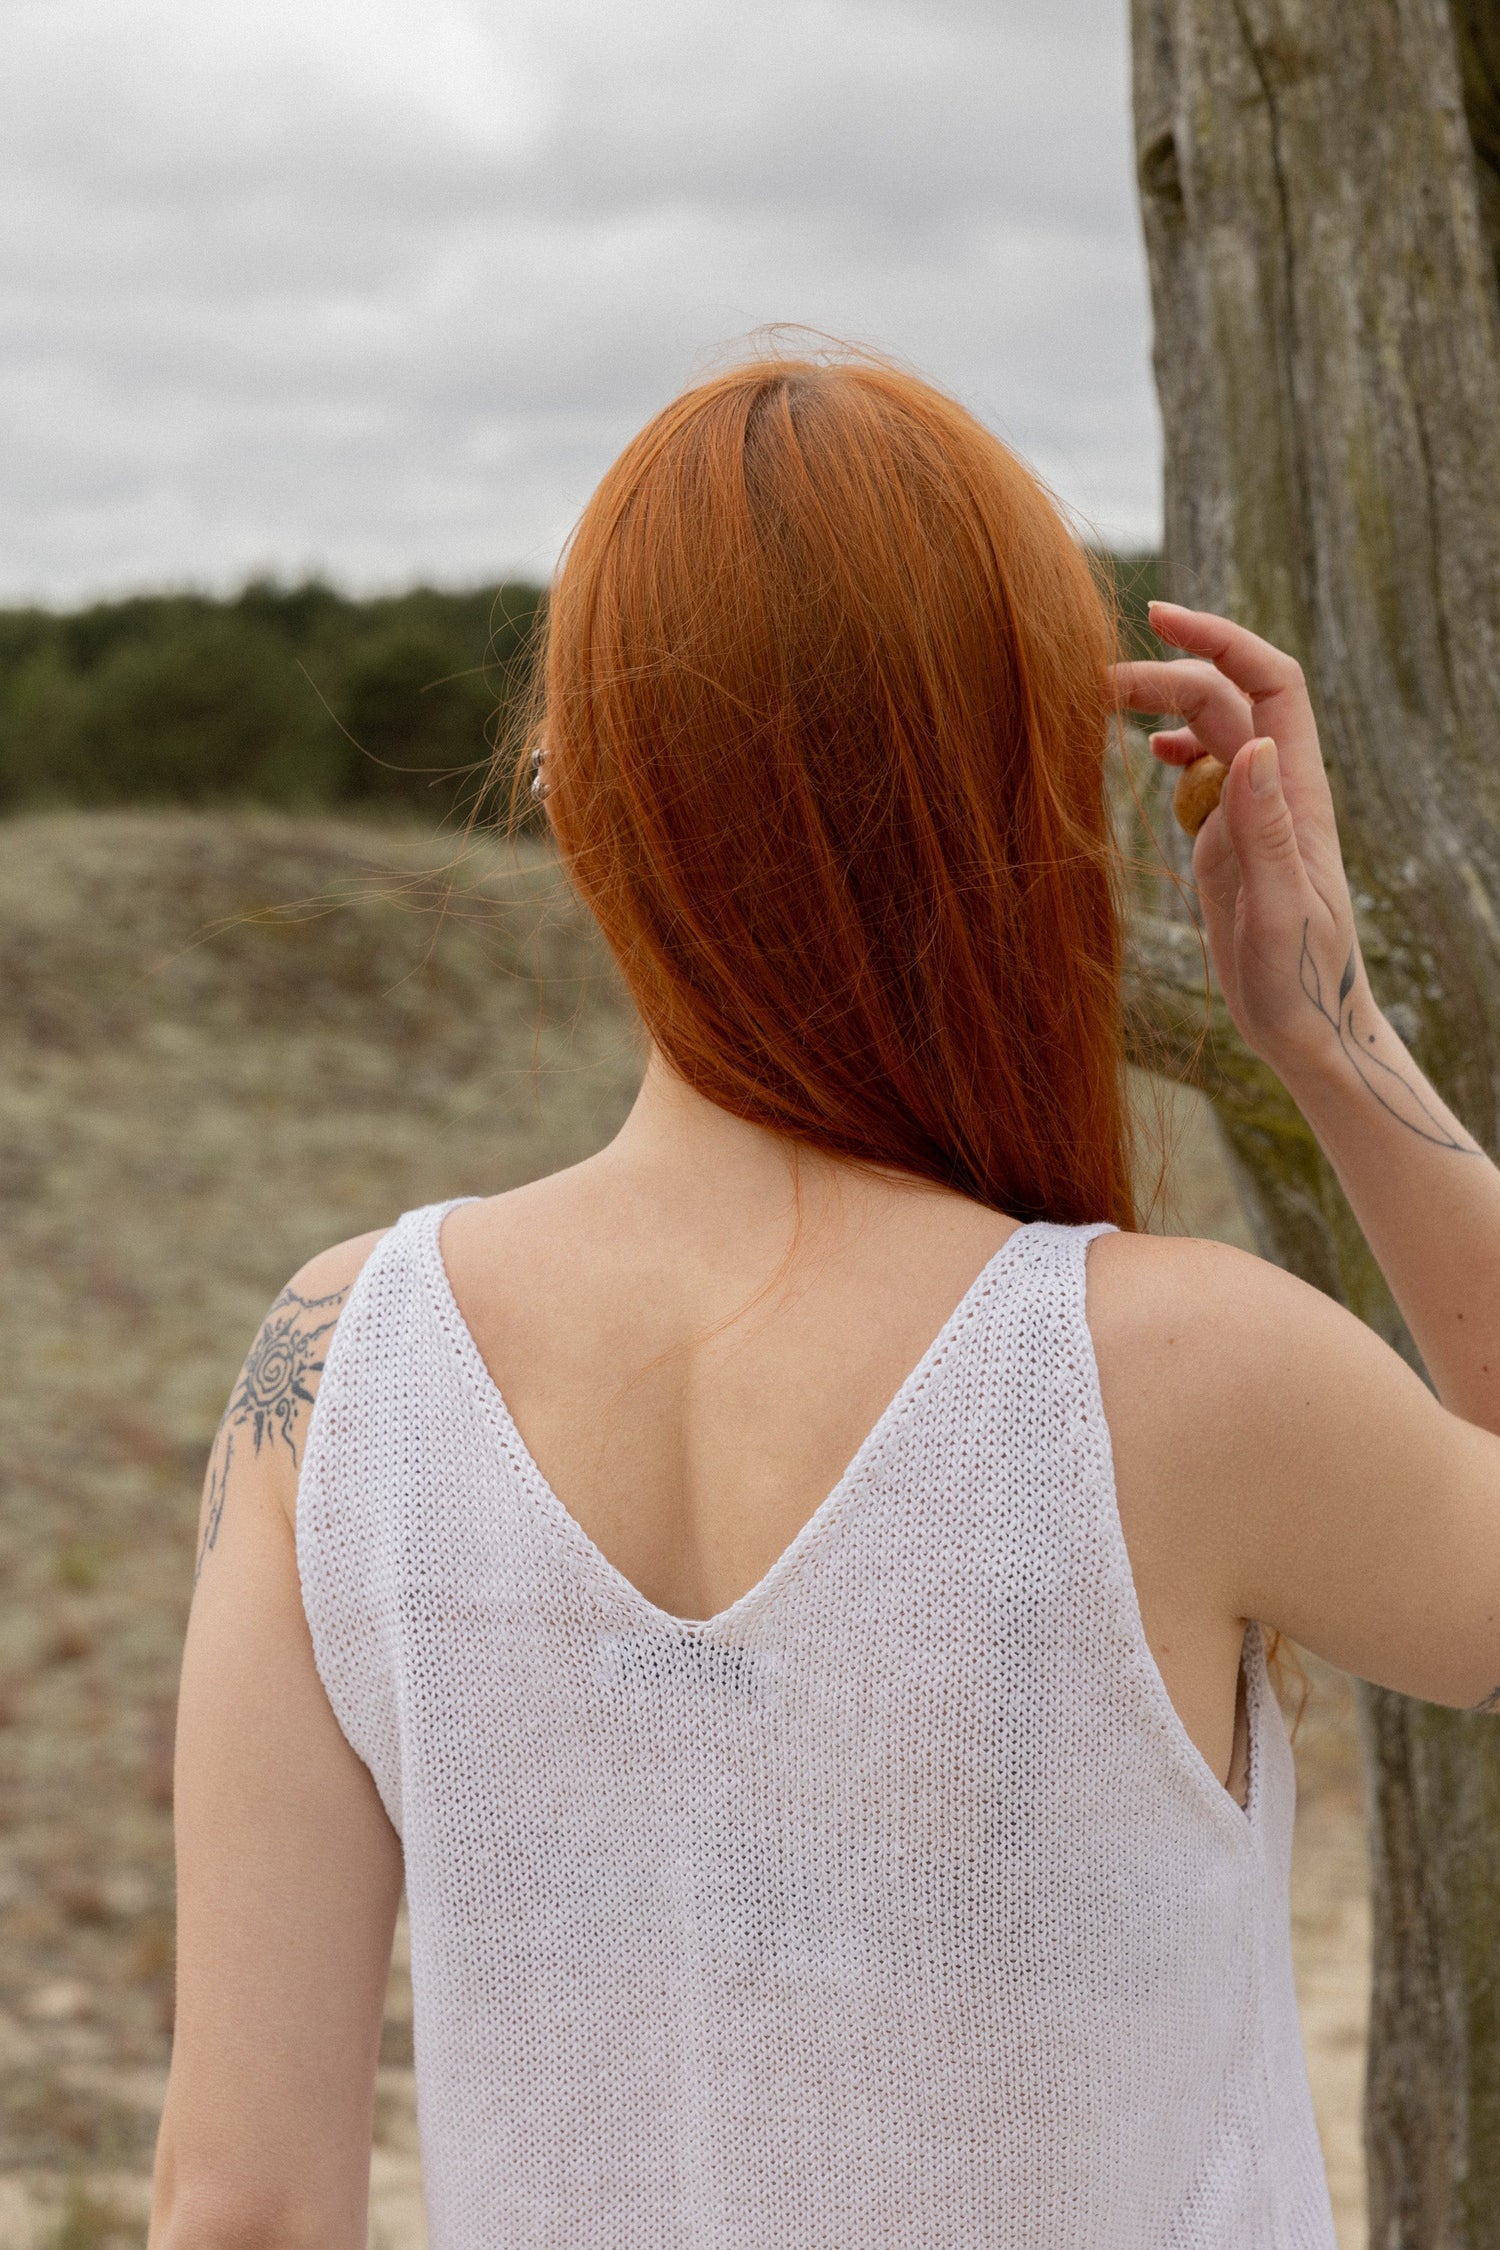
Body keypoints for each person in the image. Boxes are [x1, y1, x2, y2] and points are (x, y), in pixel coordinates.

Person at [148, 350, 1500, 2250]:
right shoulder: (1172, 1369)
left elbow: (243, 2206)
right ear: (1029, 792)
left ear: (571, 783)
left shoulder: (337, 1374)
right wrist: (1329, 1024)